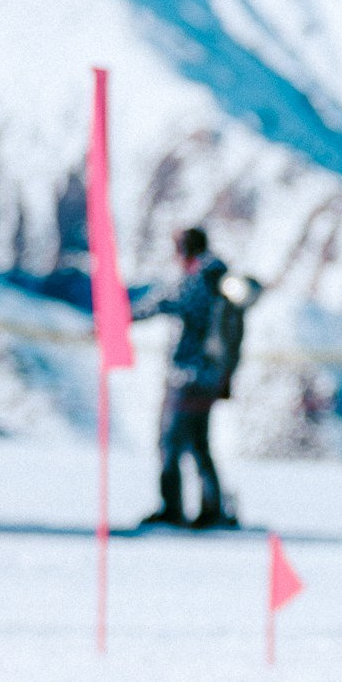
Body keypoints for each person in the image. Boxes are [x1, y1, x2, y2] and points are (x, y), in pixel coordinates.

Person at [131, 226, 239, 530]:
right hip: (209, 377)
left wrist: (119, 317)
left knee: (170, 442)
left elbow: (163, 302)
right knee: (199, 444)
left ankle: (173, 509)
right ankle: (212, 507)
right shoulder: (218, 280)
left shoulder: (197, 282)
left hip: (187, 377)